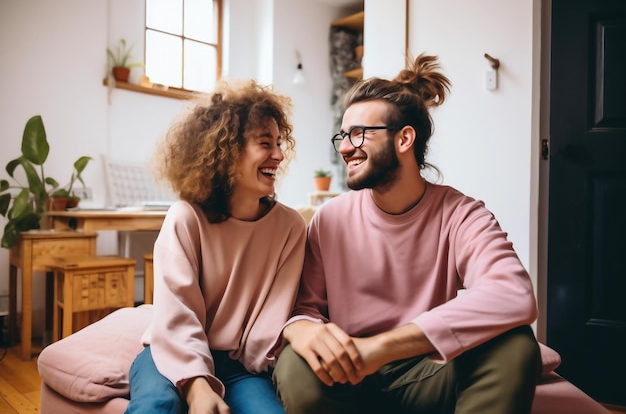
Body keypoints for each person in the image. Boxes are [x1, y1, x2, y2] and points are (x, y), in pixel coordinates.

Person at [273, 54, 542, 414]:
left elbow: (514, 295)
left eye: (358, 133)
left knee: (517, 344)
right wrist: (300, 328)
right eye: (342, 135)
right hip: (347, 374)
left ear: (404, 139)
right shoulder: (328, 219)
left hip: (427, 372)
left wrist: (380, 348)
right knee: (294, 364)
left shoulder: (461, 214)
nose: (344, 147)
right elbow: (305, 308)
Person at [125, 80, 307, 414]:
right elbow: (177, 317)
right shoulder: (186, 218)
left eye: (279, 143)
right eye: (265, 143)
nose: (279, 155)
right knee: (157, 405)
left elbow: (269, 325)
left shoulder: (291, 227)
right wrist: (197, 386)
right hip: (169, 351)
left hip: (239, 369)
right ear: (226, 151)